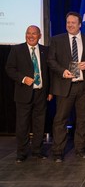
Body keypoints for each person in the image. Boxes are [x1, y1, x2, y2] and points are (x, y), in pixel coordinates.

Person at [47, 11, 85, 162]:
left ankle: (80, 149)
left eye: (73, 23)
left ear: (80, 24)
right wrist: (63, 71)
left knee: (83, 119)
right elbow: (51, 60)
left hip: (84, 86)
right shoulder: (57, 40)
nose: (70, 25)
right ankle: (57, 152)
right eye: (68, 22)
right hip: (64, 85)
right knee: (60, 120)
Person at [5, 25, 53, 163]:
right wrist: (23, 78)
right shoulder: (17, 49)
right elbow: (9, 68)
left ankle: (37, 151)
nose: (31, 36)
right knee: (22, 125)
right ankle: (22, 153)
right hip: (23, 93)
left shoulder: (45, 50)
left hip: (41, 93)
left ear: (40, 36)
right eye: (28, 33)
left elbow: (48, 73)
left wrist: (50, 91)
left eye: (34, 33)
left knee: (39, 124)